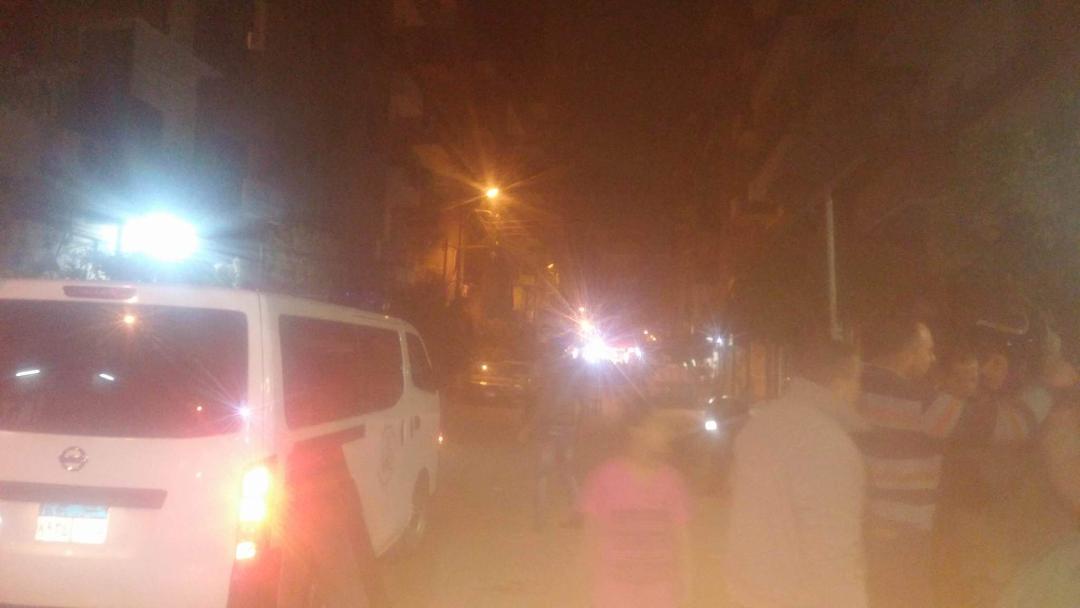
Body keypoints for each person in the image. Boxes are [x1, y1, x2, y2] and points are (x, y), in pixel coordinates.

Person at [724, 339, 868, 608]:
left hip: (749, 588)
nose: (860, 390)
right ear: (840, 382)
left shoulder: (759, 426)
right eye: (858, 379)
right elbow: (833, 549)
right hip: (799, 596)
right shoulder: (831, 444)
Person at [581, 405, 691, 608]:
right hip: (614, 587)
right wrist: (589, 577)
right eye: (660, 427)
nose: (668, 435)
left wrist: (685, 577)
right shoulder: (605, 477)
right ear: (636, 431)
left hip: (660, 588)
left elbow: (681, 535)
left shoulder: (672, 481)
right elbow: (591, 534)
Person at [522, 338, 586, 529]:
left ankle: (540, 519)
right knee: (566, 472)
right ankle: (578, 514)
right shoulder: (570, 372)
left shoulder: (550, 373)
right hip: (567, 429)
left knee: (542, 474)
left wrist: (529, 427)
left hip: (549, 430)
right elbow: (578, 404)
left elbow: (544, 404)